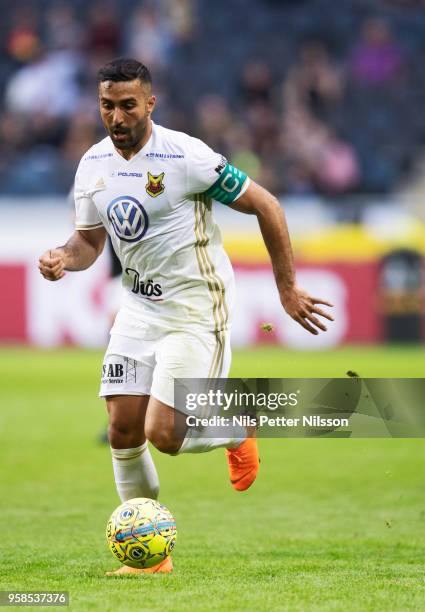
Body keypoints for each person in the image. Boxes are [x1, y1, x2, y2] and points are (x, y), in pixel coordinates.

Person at [38, 58, 333, 575]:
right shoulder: (93, 164)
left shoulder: (186, 156)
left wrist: (287, 289)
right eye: (107, 105)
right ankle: (150, 560)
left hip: (196, 309)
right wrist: (64, 257)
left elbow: (267, 206)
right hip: (138, 307)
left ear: (150, 103)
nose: (117, 116)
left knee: (164, 434)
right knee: (121, 430)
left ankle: (239, 428)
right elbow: (88, 241)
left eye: (128, 105)